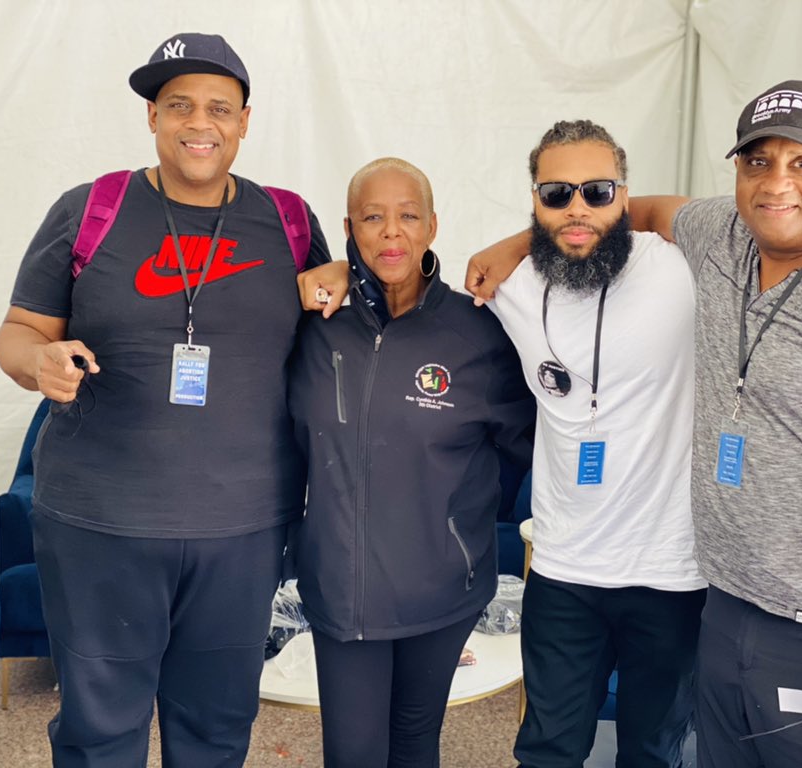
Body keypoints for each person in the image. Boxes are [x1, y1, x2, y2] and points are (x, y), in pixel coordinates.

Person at [467, 81, 802, 768]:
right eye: (759, 162)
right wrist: (512, 243)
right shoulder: (718, 239)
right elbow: (629, 210)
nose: (777, 183)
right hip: (730, 602)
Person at [298, 124, 707, 767]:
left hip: (668, 572)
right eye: (555, 193)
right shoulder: (507, 292)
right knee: (544, 749)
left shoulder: (682, 267)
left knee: (653, 750)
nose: (577, 207)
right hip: (563, 570)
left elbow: (756, 223)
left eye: (598, 191)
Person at [0, 33, 330, 767]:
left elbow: (341, 319)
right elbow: (17, 334)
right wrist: (37, 361)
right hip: (98, 524)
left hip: (241, 530)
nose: (198, 122)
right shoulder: (91, 209)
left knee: (215, 729)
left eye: (218, 107)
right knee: (99, 732)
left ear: (246, 120)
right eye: (178, 105)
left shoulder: (289, 221)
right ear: (152, 116)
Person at [286, 157, 534, 768]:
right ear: (349, 227)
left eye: (408, 216)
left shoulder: (478, 334)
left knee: (416, 741)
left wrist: (453, 526)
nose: (391, 232)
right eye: (373, 217)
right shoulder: (314, 326)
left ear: (432, 227)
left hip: (442, 588)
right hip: (342, 591)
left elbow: (520, 448)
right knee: (354, 752)